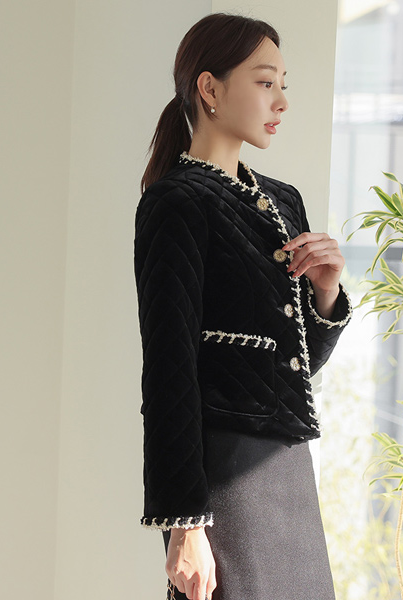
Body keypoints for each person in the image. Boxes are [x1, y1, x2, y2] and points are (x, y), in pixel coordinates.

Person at [134, 12, 352, 600]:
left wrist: (326, 292)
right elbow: (169, 372)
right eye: (264, 82)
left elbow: (296, 364)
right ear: (209, 88)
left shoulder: (284, 202)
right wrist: (185, 523)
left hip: (286, 463)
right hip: (223, 469)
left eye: (284, 84)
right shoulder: (176, 203)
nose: (281, 101)